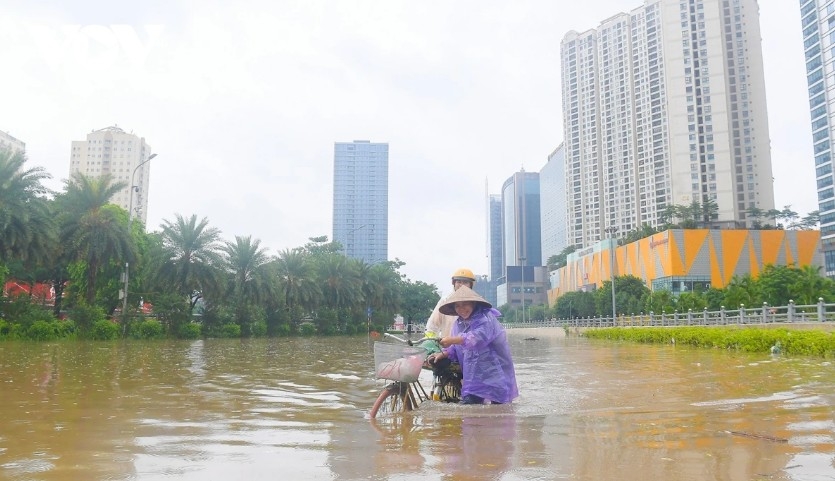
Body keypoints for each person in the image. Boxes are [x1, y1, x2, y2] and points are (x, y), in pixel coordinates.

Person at [427, 285, 518, 405]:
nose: (461, 309)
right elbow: (457, 347)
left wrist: (453, 340)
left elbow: (477, 338)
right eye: (457, 306)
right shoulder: (459, 323)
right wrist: (445, 353)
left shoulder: (486, 318)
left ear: (473, 304)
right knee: (470, 410)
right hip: (473, 377)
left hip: (495, 373)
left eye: (465, 304)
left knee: (500, 410)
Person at [424, 268, 477, 339]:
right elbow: (432, 325)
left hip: (470, 345)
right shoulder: (445, 301)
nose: (461, 285)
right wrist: (430, 342)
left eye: (465, 282)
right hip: (447, 346)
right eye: (459, 282)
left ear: (471, 285)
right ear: (454, 283)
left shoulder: (477, 302)